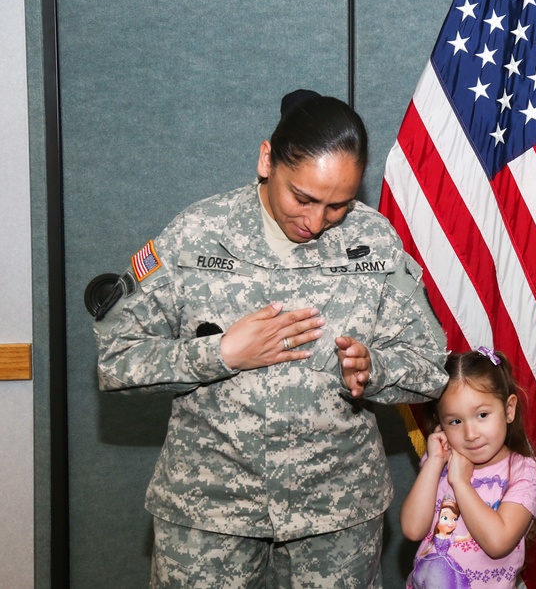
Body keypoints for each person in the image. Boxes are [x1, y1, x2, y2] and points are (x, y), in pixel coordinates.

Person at [91, 89, 448, 588]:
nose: (316, 221)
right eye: (302, 198)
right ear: (266, 160)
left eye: (338, 205)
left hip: (336, 516)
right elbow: (117, 358)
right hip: (209, 513)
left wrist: (376, 371)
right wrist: (220, 354)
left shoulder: (375, 241)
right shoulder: (197, 235)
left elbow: (432, 365)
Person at [400, 348, 536, 589]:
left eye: (482, 415)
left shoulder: (525, 472)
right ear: (441, 423)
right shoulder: (440, 460)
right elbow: (413, 530)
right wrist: (434, 463)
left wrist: (461, 482)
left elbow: (498, 542)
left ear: (509, 410)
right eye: (455, 421)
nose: (470, 434)